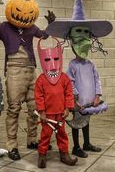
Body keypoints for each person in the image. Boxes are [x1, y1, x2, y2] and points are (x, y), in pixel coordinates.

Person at [0, 0, 55, 160]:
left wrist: (51, 24)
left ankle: (32, 139)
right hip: (14, 70)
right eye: (20, 10)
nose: (23, 15)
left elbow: (44, 35)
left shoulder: (31, 27)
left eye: (28, 12)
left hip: (31, 70)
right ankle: (12, 145)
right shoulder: (4, 27)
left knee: (34, 108)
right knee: (14, 108)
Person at [45, 0, 113, 158]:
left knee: (86, 121)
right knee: (76, 123)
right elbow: (70, 83)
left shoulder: (91, 65)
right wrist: (74, 100)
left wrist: (97, 95)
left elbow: (97, 79)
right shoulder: (73, 66)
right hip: (78, 103)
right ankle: (76, 146)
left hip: (89, 102)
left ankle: (87, 143)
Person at [34, 38, 78, 168]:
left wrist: (68, 108)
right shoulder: (41, 80)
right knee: (45, 135)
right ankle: (42, 155)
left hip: (60, 113)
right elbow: (39, 96)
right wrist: (41, 112)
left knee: (62, 134)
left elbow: (69, 93)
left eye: (55, 59)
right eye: (47, 60)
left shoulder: (64, 78)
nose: (52, 63)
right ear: (43, 60)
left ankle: (64, 154)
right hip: (47, 115)